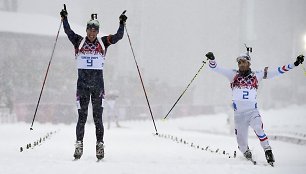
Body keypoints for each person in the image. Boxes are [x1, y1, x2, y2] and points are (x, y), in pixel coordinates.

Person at [205, 51, 304, 165]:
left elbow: (277, 72)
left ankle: (268, 150)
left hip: (252, 112)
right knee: (241, 145)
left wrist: (294, 64)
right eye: (239, 62)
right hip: (239, 115)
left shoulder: (257, 75)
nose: (241, 64)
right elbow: (216, 68)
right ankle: (246, 152)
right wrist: (212, 59)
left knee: (258, 127)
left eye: (243, 62)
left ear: (249, 63)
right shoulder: (233, 74)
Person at [60, 7, 127, 160]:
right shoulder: (79, 41)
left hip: (98, 87)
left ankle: (100, 145)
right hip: (82, 86)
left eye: (94, 31)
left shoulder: (103, 42)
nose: (91, 33)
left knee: (98, 118)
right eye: (89, 30)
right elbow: (68, 31)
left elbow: (118, 37)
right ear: (86, 30)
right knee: (82, 117)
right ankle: (79, 144)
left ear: (97, 32)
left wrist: (121, 23)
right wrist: (64, 18)